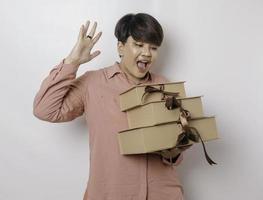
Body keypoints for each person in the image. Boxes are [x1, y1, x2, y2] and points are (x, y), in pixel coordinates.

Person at [33, 13, 192, 200]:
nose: (147, 53)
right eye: (139, 45)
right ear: (121, 47)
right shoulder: (93, 83)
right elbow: (45, 109)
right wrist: (72, 61)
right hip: (111, 194)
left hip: (164, 193)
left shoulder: (166, 87)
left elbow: (174, 156)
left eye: (154, 47)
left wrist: (174, 151)